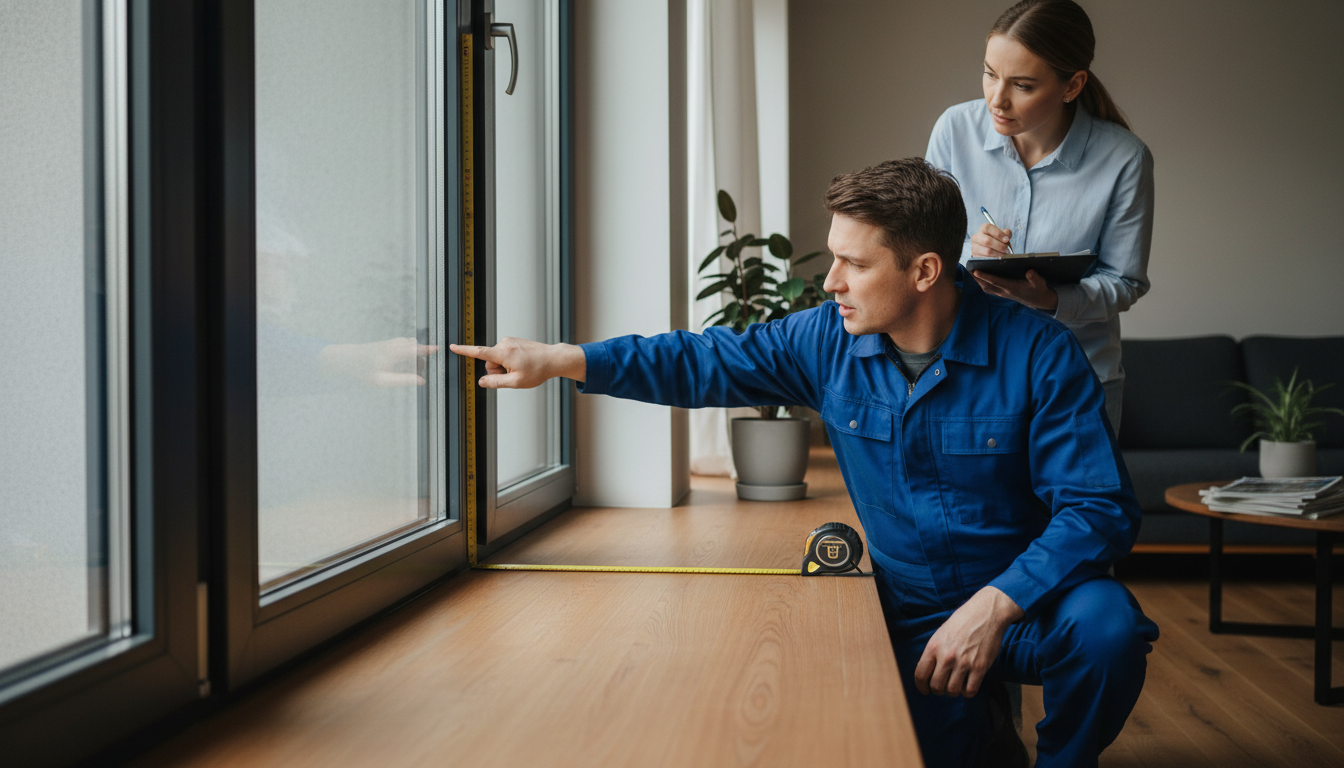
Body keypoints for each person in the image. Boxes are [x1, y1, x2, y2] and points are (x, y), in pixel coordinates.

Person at [452, 158, 1158, 768]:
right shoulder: (824, 340)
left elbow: (1098, 508)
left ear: (924, 271)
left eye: (856, 264)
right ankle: (980, 728)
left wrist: (997, 604)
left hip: (1026, 603)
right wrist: (562, 360)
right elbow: (702, 360)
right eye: (834, 258)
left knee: (1109, 629)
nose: (831, 283)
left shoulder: (1040, 354)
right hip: (909, 612)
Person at [925, 0, 1154, 432]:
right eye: (990, 74)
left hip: (1078, 379)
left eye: (1023, 85)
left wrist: (1050, 300)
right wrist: (967, 251)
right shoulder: (954, 131)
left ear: (1072, 85)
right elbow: (923, 252)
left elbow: (1125, 282)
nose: (997, 99)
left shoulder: (1125, 159)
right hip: (971, 373)